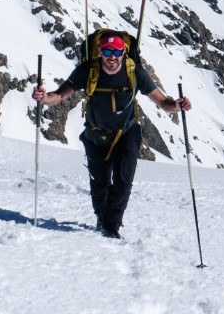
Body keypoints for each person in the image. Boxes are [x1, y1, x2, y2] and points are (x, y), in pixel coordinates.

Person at [33, 30, 191, 239]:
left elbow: (163, 102)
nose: (112, 57)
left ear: (124, 52)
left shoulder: (135, 72)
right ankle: (102, 217)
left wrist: (178, 106)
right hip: (96, 133)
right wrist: (44, 98)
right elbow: (59, 95)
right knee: (100, 184)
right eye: (107, 51)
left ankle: (111, 226)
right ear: (100, 52)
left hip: (126, 131)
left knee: (124, 181)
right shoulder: (88, 71)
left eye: (116, 52)